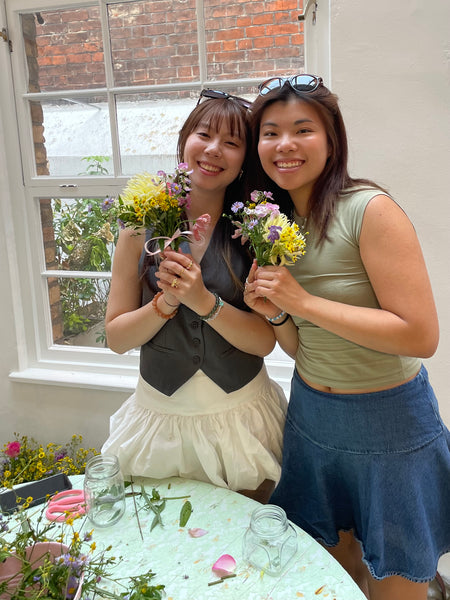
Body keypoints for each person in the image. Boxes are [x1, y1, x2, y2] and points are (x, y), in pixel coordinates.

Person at [243, 74, 450, 599]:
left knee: (393, 587)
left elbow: (421, 335)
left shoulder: (369, 209)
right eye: (270, 132)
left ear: (331, 139)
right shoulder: (274, 223)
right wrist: (275, 314)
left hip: (391, 430)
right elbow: (300, 345)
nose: (284, 144)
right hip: (312, 421)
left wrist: (303, 301)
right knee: (328, 582)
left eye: (302, 129)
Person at [102, 89, 287, 503]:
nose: (214, 150)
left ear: (245, 160)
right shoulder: (138, 227)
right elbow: (117, 338)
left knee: (243, 546)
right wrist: (165, 301)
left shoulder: (256, 233)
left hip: (243, 421)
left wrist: (204, 301)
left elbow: (265, 340)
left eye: (232, 143)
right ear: (185, 140)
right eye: (204, 134)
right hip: (160, 423)